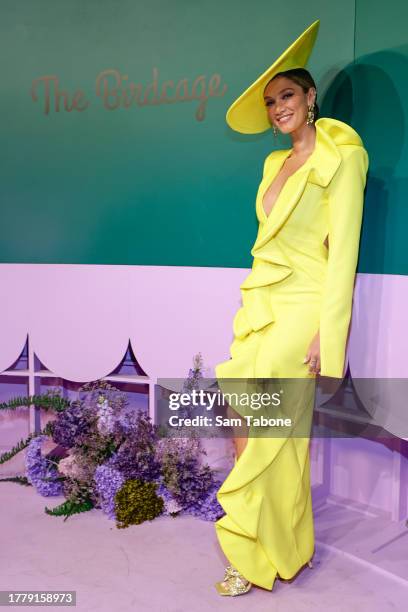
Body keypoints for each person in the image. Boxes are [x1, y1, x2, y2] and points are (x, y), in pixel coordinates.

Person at [213, 20, 369, 596]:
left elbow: (343, 253)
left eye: (287, 95)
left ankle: (253, 557)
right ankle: (280, 546)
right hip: (260, 304)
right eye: (271, 100)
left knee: (275, 433)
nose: (279, 107)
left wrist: (329, 335)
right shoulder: (270, 165)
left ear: (310, 96)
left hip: (304, 306)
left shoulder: (345, 156)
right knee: (244, 422)